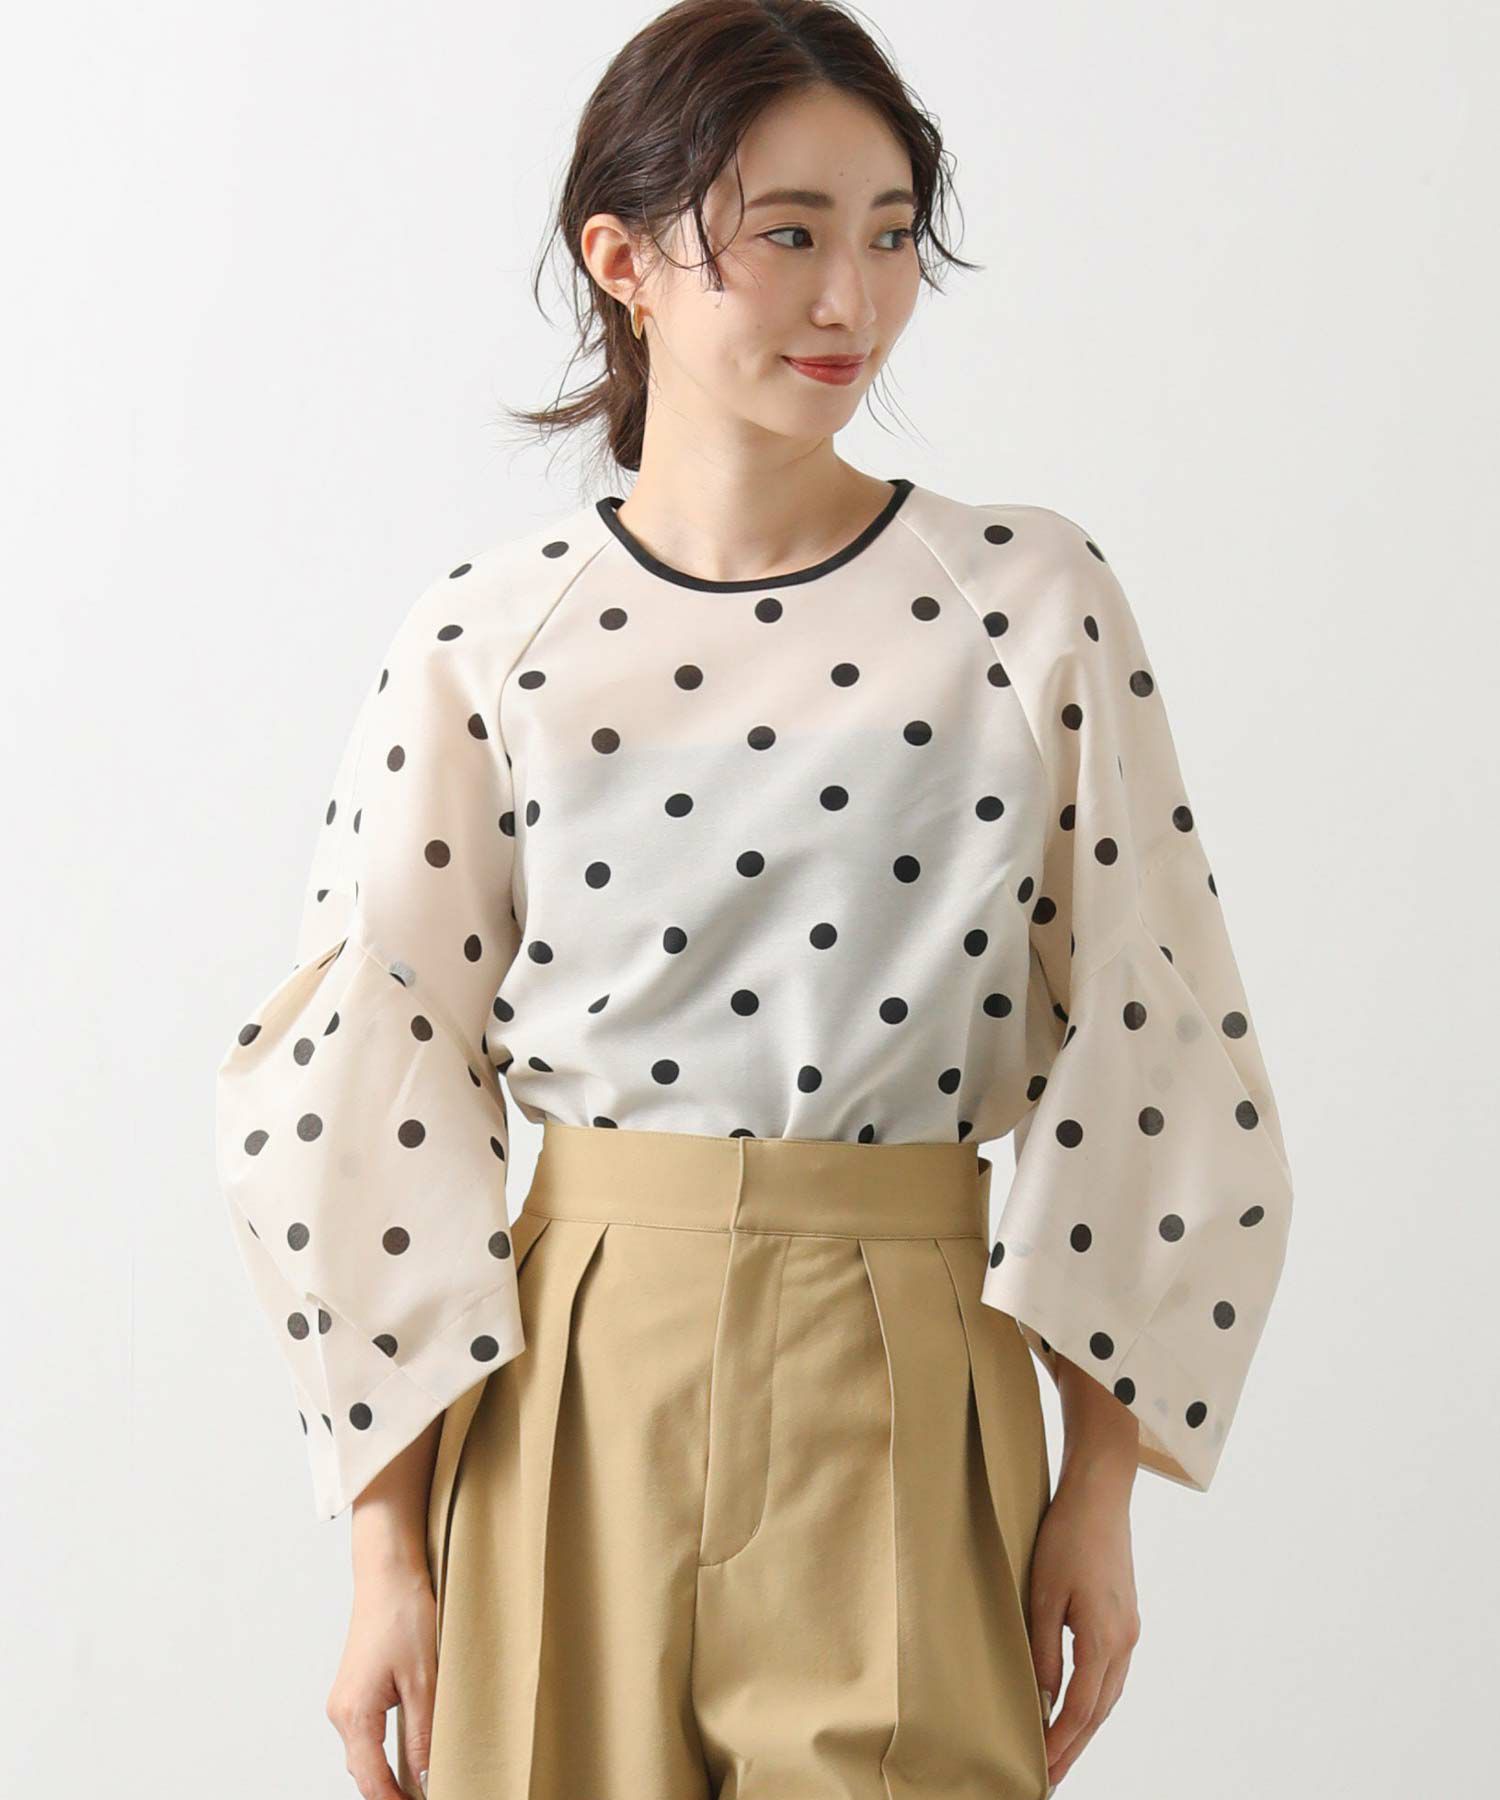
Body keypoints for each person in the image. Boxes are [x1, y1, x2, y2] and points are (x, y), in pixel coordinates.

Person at [213, 3, 1293, 1796]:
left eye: (891, 235)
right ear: (621, 261)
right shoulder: (493, 634)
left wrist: (1099, 1491)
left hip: (910, 1359)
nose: (849, 299)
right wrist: (385, 1555)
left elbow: (1154, 1034)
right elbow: (366, 1080)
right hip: (574, 1374)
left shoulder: (1029, 603)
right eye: (787, 233)